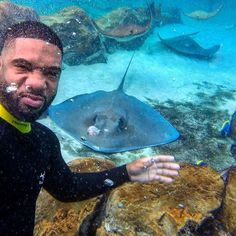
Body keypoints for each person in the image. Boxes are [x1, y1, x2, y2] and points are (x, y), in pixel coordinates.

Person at [0, 21, 180, 235]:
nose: (38, 83)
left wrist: (126, 172)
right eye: (22, 66)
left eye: (51, 73)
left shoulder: (43, 140)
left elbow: (67, 188)